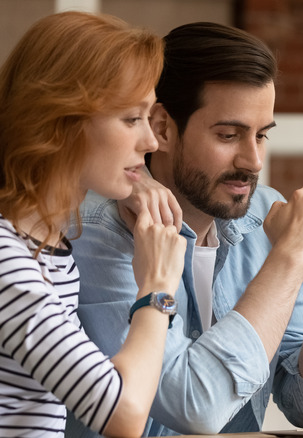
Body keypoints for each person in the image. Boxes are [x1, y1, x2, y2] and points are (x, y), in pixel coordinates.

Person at [65, 22, 303, 436]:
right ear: (163, 128)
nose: (254, 161)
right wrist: (292, 258)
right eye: (229, 134)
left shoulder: (265, 215)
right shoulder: (97, 231)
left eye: (261, 135)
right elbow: (194, 408)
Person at [0, 11, 186, 437]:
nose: (152, 141)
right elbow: (124, 415)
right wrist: (157, 289)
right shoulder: (7, 258)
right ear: (61, 120)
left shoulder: (49, 243)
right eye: (130, 118)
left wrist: (129, 184)